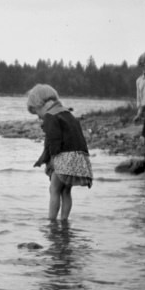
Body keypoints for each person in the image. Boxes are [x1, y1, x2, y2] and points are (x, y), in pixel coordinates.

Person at [27, 84, 93, 222]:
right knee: (66, 191)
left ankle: (51, 221)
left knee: (54, 189)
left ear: (41, 105)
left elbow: (54, 141)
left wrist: (52, 159)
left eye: (37, 113)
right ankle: (64, 220)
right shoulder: (67, 113)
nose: (39, 118)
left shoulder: (50, 117)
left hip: (64, 158)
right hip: (78, 157)